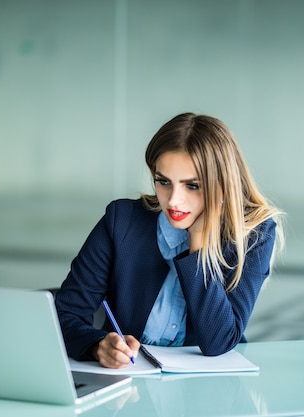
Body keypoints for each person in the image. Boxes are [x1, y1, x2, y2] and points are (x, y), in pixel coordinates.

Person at [55, 112, 283, 369]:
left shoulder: (254, 233)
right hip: (129, 385)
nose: (173, 200)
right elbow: (66, 314)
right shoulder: (122, 221)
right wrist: (98, 346)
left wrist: (199, 239)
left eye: (193, 186)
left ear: (222, 184)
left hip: (211, 388)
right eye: (163, 182)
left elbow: (218, 342)